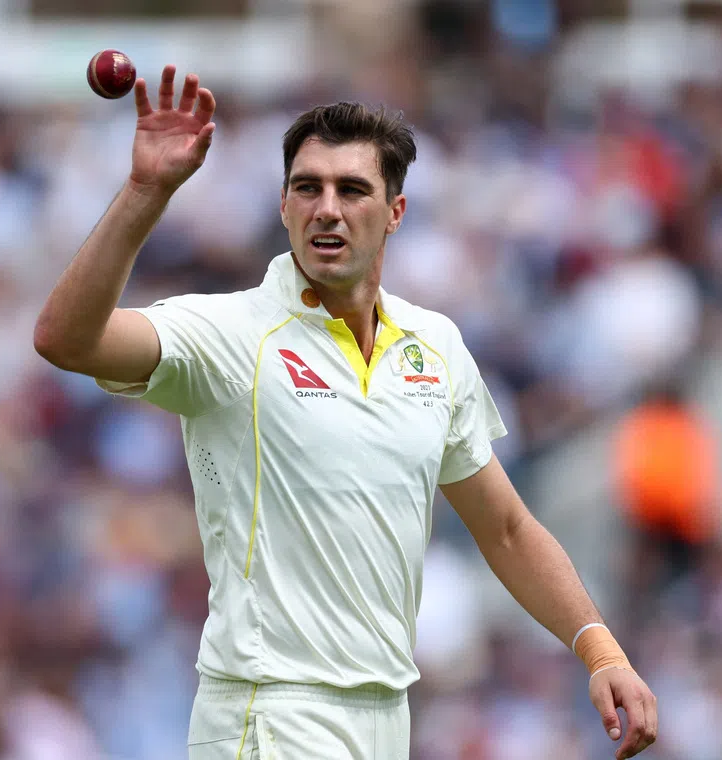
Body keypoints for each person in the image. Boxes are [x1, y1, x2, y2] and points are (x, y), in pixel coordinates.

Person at [33, 66, 658, 760]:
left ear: (395, 212)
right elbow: (66, 339)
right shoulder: (232, 333)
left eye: (352, 189)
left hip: (386, 716)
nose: (326, 207)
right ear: (283, 206)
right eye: (308, 187)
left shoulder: (435, 346)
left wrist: (602, 653)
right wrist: (146, 193)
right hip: (268, 713)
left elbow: (507, 529)